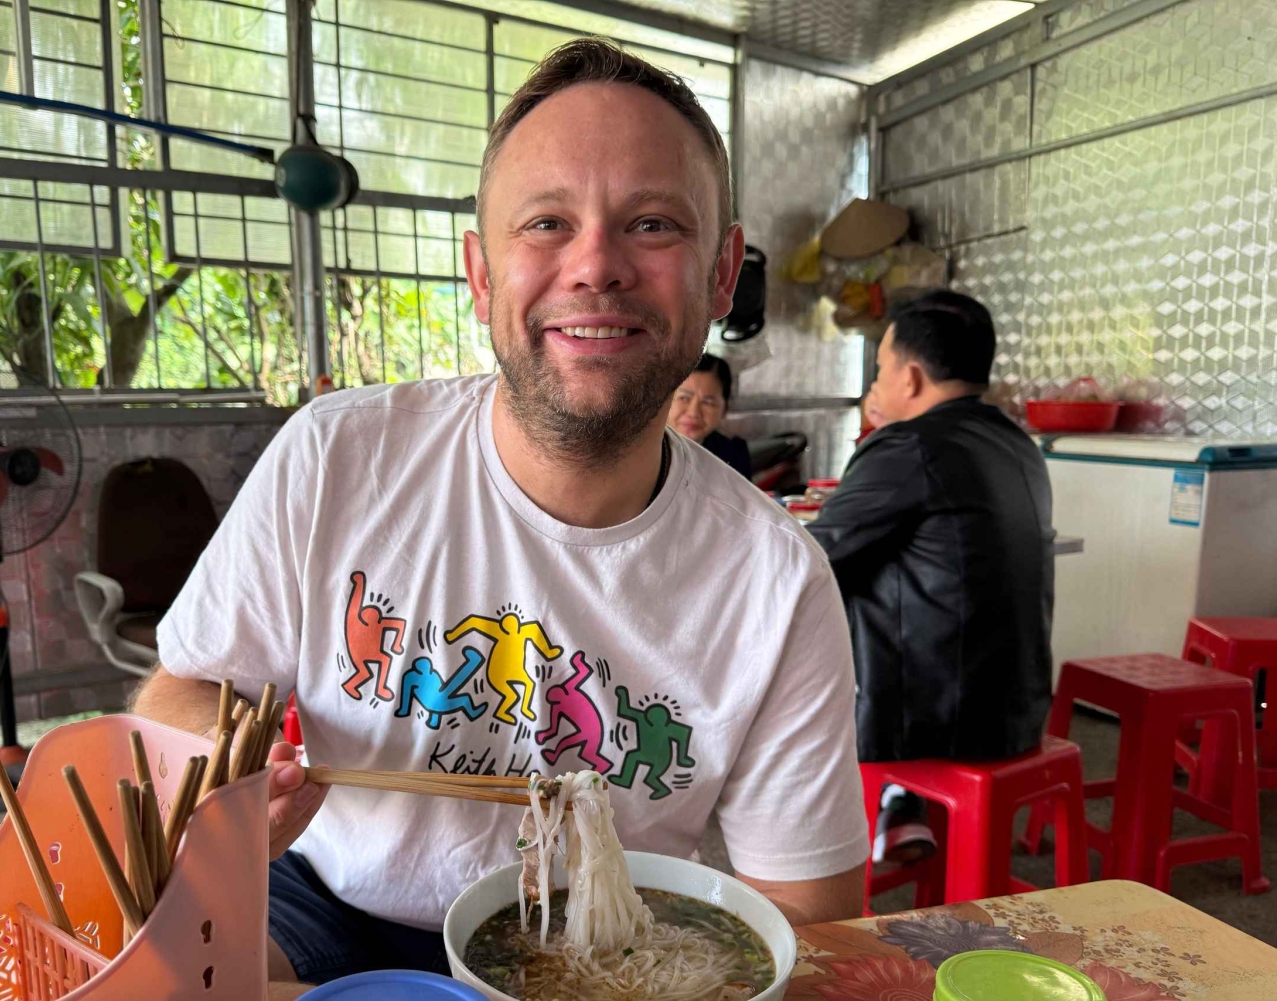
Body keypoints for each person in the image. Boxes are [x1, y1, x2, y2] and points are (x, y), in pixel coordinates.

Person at [131, 38, 868, 996]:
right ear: (481, 275)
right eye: (547, 222)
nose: (595, 265)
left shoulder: (775, 579)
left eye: (652, 223)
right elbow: (184, 690)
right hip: (326, 907)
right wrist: (221, 776)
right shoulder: (337, 458)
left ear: (722, 273)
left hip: (611, 943)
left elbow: (808, 914)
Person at [807, 290, 1053, 864]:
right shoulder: (1017, 443)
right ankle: (899, 804)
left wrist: (879, 434)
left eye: (880, 369)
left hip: (937, 720)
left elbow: (814, 560)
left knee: (814, 603)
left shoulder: (910, 445)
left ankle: (866, 810)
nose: (876, 384)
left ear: (911, 378)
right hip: (1015, 706)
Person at [669, 353, 752, 477]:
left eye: (708, 402)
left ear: (724, 409)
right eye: (684, 398)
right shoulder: (641, 446)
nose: (693, 413)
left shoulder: (733, 454)